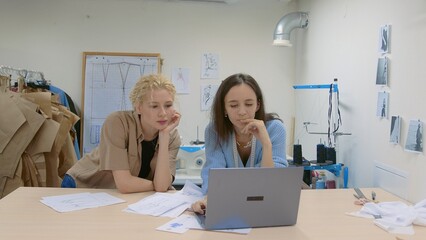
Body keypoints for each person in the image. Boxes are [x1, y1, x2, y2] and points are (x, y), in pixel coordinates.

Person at [61, 74, 181, 193]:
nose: (163, 113)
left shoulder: (171, 136)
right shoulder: (117, 122)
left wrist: (164, 136)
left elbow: (162, 186)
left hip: (121, 193)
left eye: (168, 105)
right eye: (154, 106)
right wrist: (157, 185)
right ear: (138, 108)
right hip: (84, 185)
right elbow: (125, 184)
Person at [192, 73, 288, 214]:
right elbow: (214, 173)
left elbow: (271, 183)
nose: (242, 112)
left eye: (249, 104)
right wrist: (208, 199)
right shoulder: (214, 130)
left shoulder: (275, 129)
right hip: (229, 206)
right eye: (233, 105)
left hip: (265, 207)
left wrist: (266, 144)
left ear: (258, 105)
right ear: (224, 108)